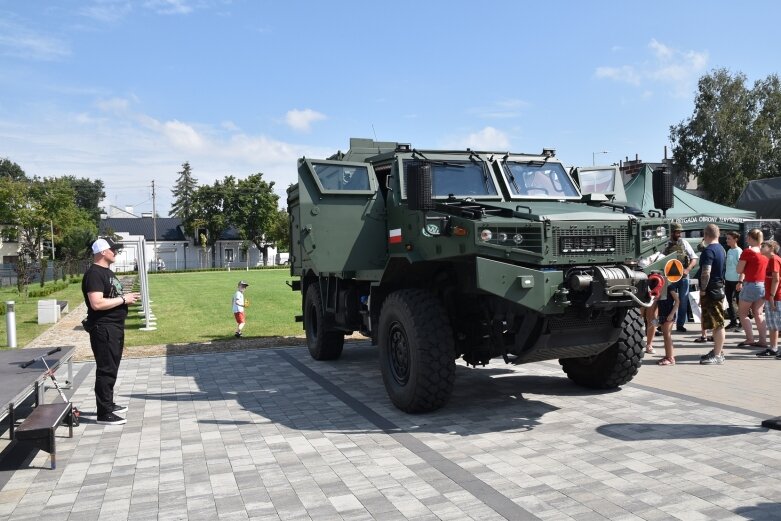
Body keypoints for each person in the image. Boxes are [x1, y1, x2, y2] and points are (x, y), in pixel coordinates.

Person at [82, 237, 141, 425]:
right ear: (102, 252)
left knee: (112, 367)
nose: (115, 252)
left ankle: (108, 403)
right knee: (106, 369)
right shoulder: (94, 274)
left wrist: (124, 299)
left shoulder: (106, 272)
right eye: (112, 249)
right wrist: (124, 300)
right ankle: (104, 413)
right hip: (103, 328)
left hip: (114, 327)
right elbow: (96, 303)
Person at [698, 224, 728, 365]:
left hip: (712, 290)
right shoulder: (721, 249)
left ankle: (717, 355)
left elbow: (706, 272)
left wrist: (703, 289)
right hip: (719, 287)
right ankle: (718, 350)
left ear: (706, 234)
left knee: (718, 324)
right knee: (717, 322)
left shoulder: (709, 251)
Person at [736, 228, 768, 348]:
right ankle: (763, 340)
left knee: (743, 314)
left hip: (751, 284)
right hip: (763, 285)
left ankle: (750, 338)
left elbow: (739, 270)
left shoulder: (748, 252)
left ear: (750, 238)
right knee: (758, 314)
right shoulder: (764, 251)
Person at [663, 223, 698, 332]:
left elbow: (694, 258)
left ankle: (680, 324)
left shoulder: (684, 243)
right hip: (669, 278)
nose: (679, 234)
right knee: (667, 301)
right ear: (671, 232)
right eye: (677, 232)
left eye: (680, 232)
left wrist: (687, 270)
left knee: (683, 301)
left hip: (683, 277)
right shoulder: (664, 245)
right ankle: (665, 323)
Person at [757, 240, 781, 358]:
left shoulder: (774, 259)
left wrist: (771, 296)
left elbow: (776, 279)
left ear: (771, 248)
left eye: (763, 246)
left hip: (777, 297)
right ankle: (773, 348)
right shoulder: (770, 260)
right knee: (773, 325)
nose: (761, 248)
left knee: (778, 323)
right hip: (771, 296)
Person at [657, 281, 680, 366]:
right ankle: (667, 356)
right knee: (665, 336)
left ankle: (671, 358)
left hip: (668, 315)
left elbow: (677, 301)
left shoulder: (670, 287)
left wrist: (671, 314)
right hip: (662, 315)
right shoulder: (659, 288)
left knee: (667, 336)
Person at [724, 231, 743, 330]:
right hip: (728, 280)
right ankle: (733, 321)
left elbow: (742, 267)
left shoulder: (739, 251)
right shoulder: (729, 251)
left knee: (739, 302)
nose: (727, 240)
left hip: (736, 280)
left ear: (735, 239)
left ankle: (742, 322)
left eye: (729, 239)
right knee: (729, 301)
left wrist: (740, 282)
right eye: (727, 238)